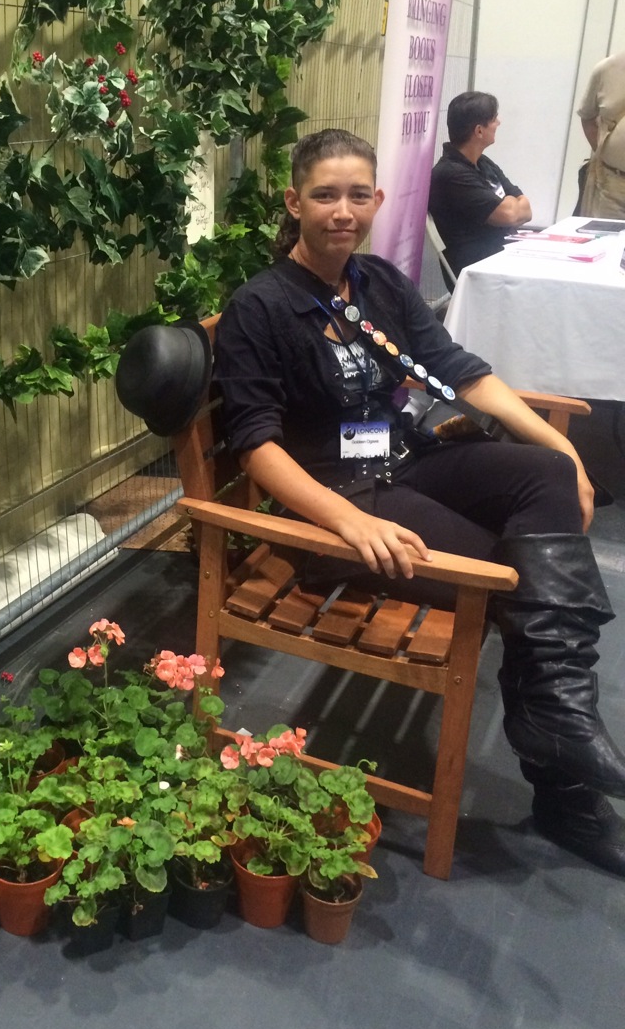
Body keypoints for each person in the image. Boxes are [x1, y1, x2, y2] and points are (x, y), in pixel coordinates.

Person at [213, 127, 625, 876]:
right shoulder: (261, 308)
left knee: (547, 480)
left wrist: (560, 449)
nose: (344, 210)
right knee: (517, 572)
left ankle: (559, 718)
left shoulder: (378, 283)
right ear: (294, 201)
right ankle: (567, 790)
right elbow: (255, 446)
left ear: (377, 199)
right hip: (343, 502)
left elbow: (462, 372)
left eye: (358, 195)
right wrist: (348, 521)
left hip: (408, 462)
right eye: (325, 195)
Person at [428, 91, 533, 276]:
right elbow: (508, 215)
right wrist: (509, 204)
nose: (498, 123)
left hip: (501, 258)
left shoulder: (483, 163)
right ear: (479, 130)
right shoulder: (451, 175)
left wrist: (510, 205)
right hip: (478, 271)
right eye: (494, 119)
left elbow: (527, 210)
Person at [577, 50, 625, 219]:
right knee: (606, 242)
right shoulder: (605, 69)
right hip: (611, 184)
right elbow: (587, 117)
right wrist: (605, 154)